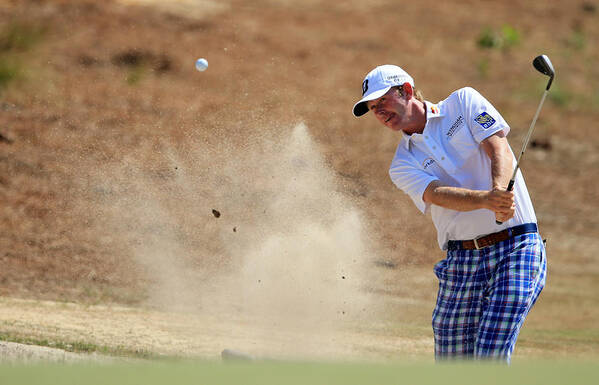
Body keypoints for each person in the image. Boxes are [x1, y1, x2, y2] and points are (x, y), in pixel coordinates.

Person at [352, 65, 546, 363]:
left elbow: (499, 147)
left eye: (382, 102)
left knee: (490, 355)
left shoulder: (464, 102)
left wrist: (498, 190)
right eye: (373, 108)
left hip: (516, 247)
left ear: (405, 90)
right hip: (462, 261)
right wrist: (488, 200)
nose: (378, 112)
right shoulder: (402, 164)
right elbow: (437, 195)